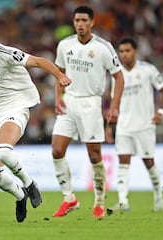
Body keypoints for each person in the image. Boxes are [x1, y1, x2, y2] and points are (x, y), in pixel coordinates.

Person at [0, 21, 71, 223]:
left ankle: (29, 183)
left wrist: (59, 76)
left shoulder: (3, 53)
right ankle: (20, 196)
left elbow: (38, 61)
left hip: (15, 106)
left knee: (4, 151)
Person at [50, 5, 124, 219]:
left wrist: (114, 106)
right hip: (69, 101)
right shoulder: (65, 45)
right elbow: (59, 73)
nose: (80, 24)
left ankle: (99, 202)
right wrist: (58, 98)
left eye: (84, 20)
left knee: (94, 155)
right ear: (73, 23)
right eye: (77, 20)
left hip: (91, 103)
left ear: (92, 22)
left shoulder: (104, 47)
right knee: (56, 150)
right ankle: (69, 198)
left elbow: (119, 77)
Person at [106, 37, 163, 213]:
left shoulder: (148, 70)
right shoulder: (116, 75)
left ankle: (158, 194)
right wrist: (110, 126)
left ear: (135, 52)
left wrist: (161, 112)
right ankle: (123, 201)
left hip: (144, 125)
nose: (124, 54)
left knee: (148, 162)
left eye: (128, 51)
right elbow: (114, 102)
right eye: (122, 51)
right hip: (124, 125)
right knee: (123, 161)